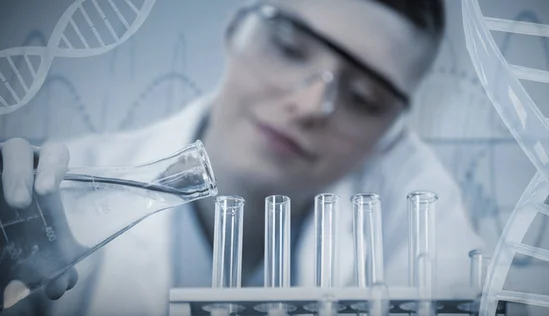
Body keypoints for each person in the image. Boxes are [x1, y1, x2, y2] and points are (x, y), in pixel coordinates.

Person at [1, 0, 484, 314]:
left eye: (364, 98)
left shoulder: (418, 217)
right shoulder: (53, 195)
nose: (311, 105)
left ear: (391, 134)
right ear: (237, 31)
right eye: (290, 48)